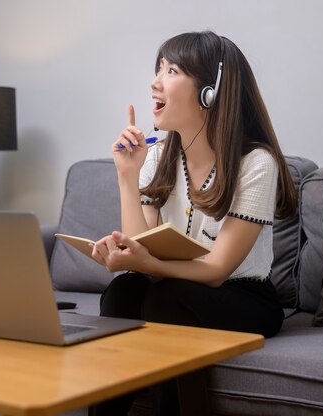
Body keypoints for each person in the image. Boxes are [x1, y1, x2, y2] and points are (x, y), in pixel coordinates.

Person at [89, 31, 298, 416]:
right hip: (172, 286)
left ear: (209, 94)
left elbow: (217, 270)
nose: (155, 81)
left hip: (246, 297)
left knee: (165, 298)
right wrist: (127, 177)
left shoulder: (255, 164)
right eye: (158, 69)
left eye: (171, 70)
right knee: (124, 291)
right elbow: (141, 245)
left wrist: (147, 264)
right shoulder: (157, 156)